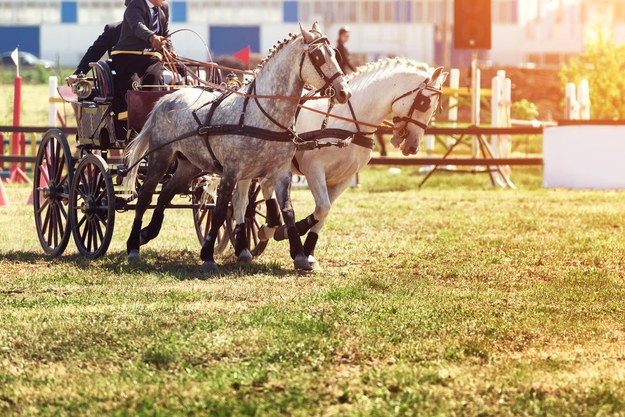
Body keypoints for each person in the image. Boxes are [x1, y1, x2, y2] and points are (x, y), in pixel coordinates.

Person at [110, 0, 172, 114]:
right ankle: (132, 120)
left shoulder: (163, 8)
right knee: (134, 89)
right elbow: (138, 26)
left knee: (154, 82)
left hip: (151, 59)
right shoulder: (134, 5)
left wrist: (171, 50)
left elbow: (165, 34)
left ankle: (152, 118)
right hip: (127, 57)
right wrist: (152, 37)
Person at [66, 0, 131, 85]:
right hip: (119, 83)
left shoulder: (153, 32)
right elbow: (95, 52)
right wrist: (79, 73)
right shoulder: (113, 30)